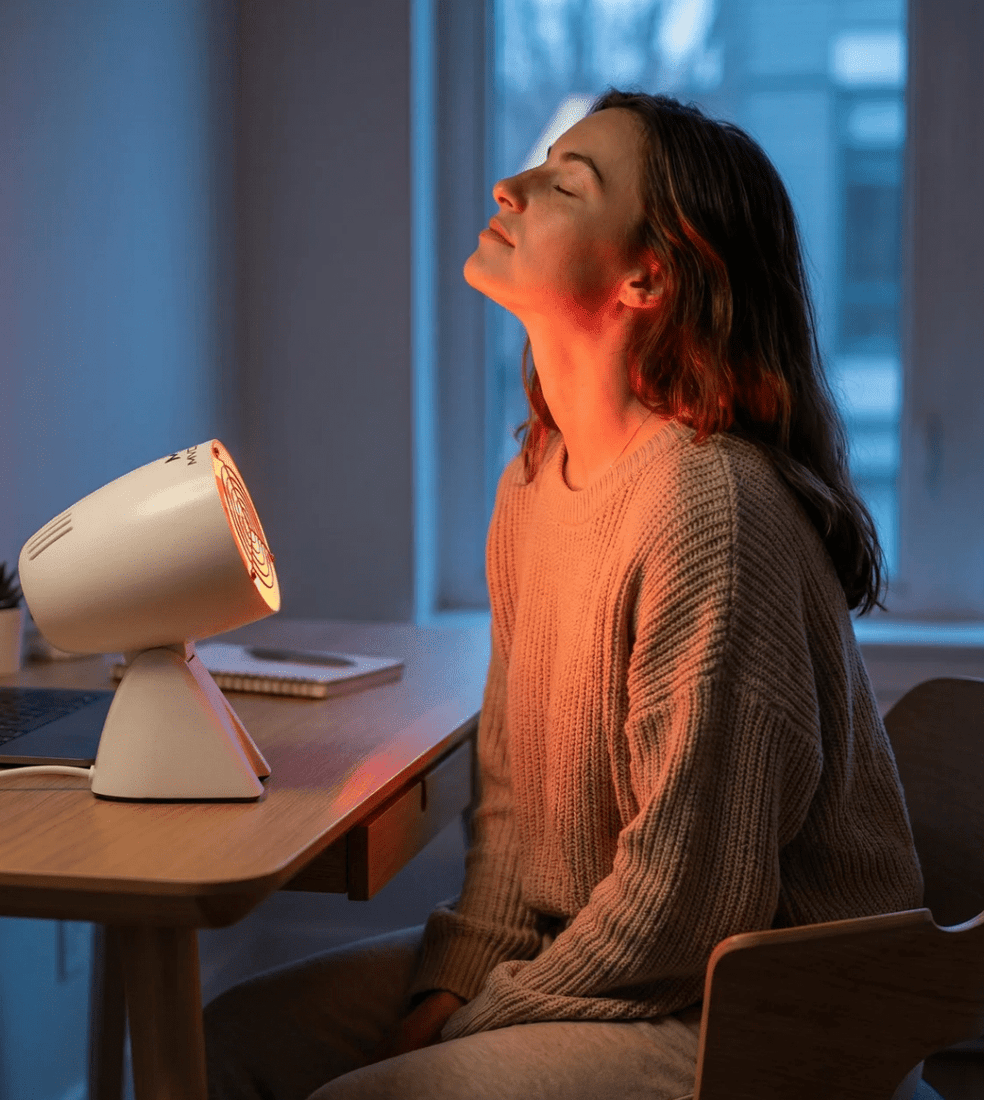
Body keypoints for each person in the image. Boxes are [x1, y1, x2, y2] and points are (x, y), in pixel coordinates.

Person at [203, 88, 923, 1100]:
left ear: (645, 275)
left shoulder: (702, 507)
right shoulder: (533, 482)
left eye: (563, 182)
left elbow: (686, 907)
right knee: (224, 1040)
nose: (510, 185)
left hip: (766, 1003)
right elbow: (514, 819)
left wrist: (469, 1021)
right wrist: (452, 977)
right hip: (607, 960)